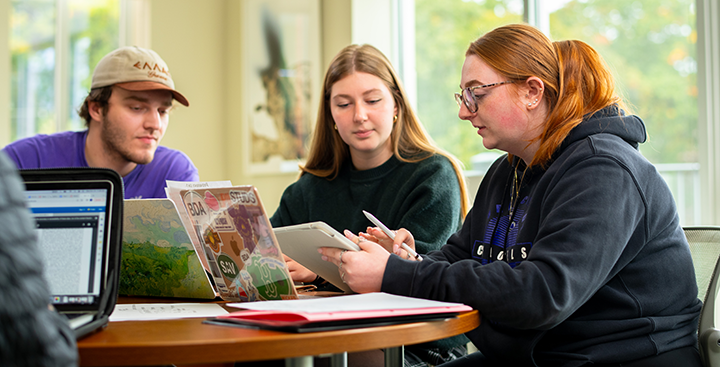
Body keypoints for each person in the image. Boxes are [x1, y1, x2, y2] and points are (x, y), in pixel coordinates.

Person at [320, 24, 703, 367]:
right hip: (542, 355)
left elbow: (542, 294)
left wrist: (396, 275)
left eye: (477, 94)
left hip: (620, 357)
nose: (465, 113)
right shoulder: (510, 169)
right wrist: (407, 258)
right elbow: (459, 256)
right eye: (463, 96)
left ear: (532, 92)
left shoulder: (604, 169)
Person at [269, 44, 470, 366]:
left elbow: (423, 276)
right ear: (331, 114)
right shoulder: (309, 187)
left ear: (395, 105)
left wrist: (318, 271)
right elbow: (266, 247)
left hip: (417, 344)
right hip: (322, 337)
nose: (359, 115)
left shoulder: (433, 175)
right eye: (344, 104)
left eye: (373, 100)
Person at [2, 46, 198, 199]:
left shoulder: (174, 174)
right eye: (137, 108)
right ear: (96, 109)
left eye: (163, 111)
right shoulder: (26, 161)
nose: (155, 124)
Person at [0, 151, 78, 366]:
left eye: (163, 113)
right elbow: (45, 355)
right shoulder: (17, 158)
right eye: (136, 113)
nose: (154, 124)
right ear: (95, 113)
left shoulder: (171, 164)